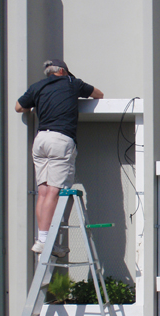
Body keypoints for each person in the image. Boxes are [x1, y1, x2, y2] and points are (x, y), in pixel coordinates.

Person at [16, 59, 103, 257]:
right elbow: (98, 94)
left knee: (43, 191)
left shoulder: (37, 87)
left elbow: (18, 107)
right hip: (60, 139)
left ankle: (43, 238)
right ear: (62, 71)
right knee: (54, 192)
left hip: (41, 140)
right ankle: (46, 241)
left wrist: (34, 106)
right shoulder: (72, 83)